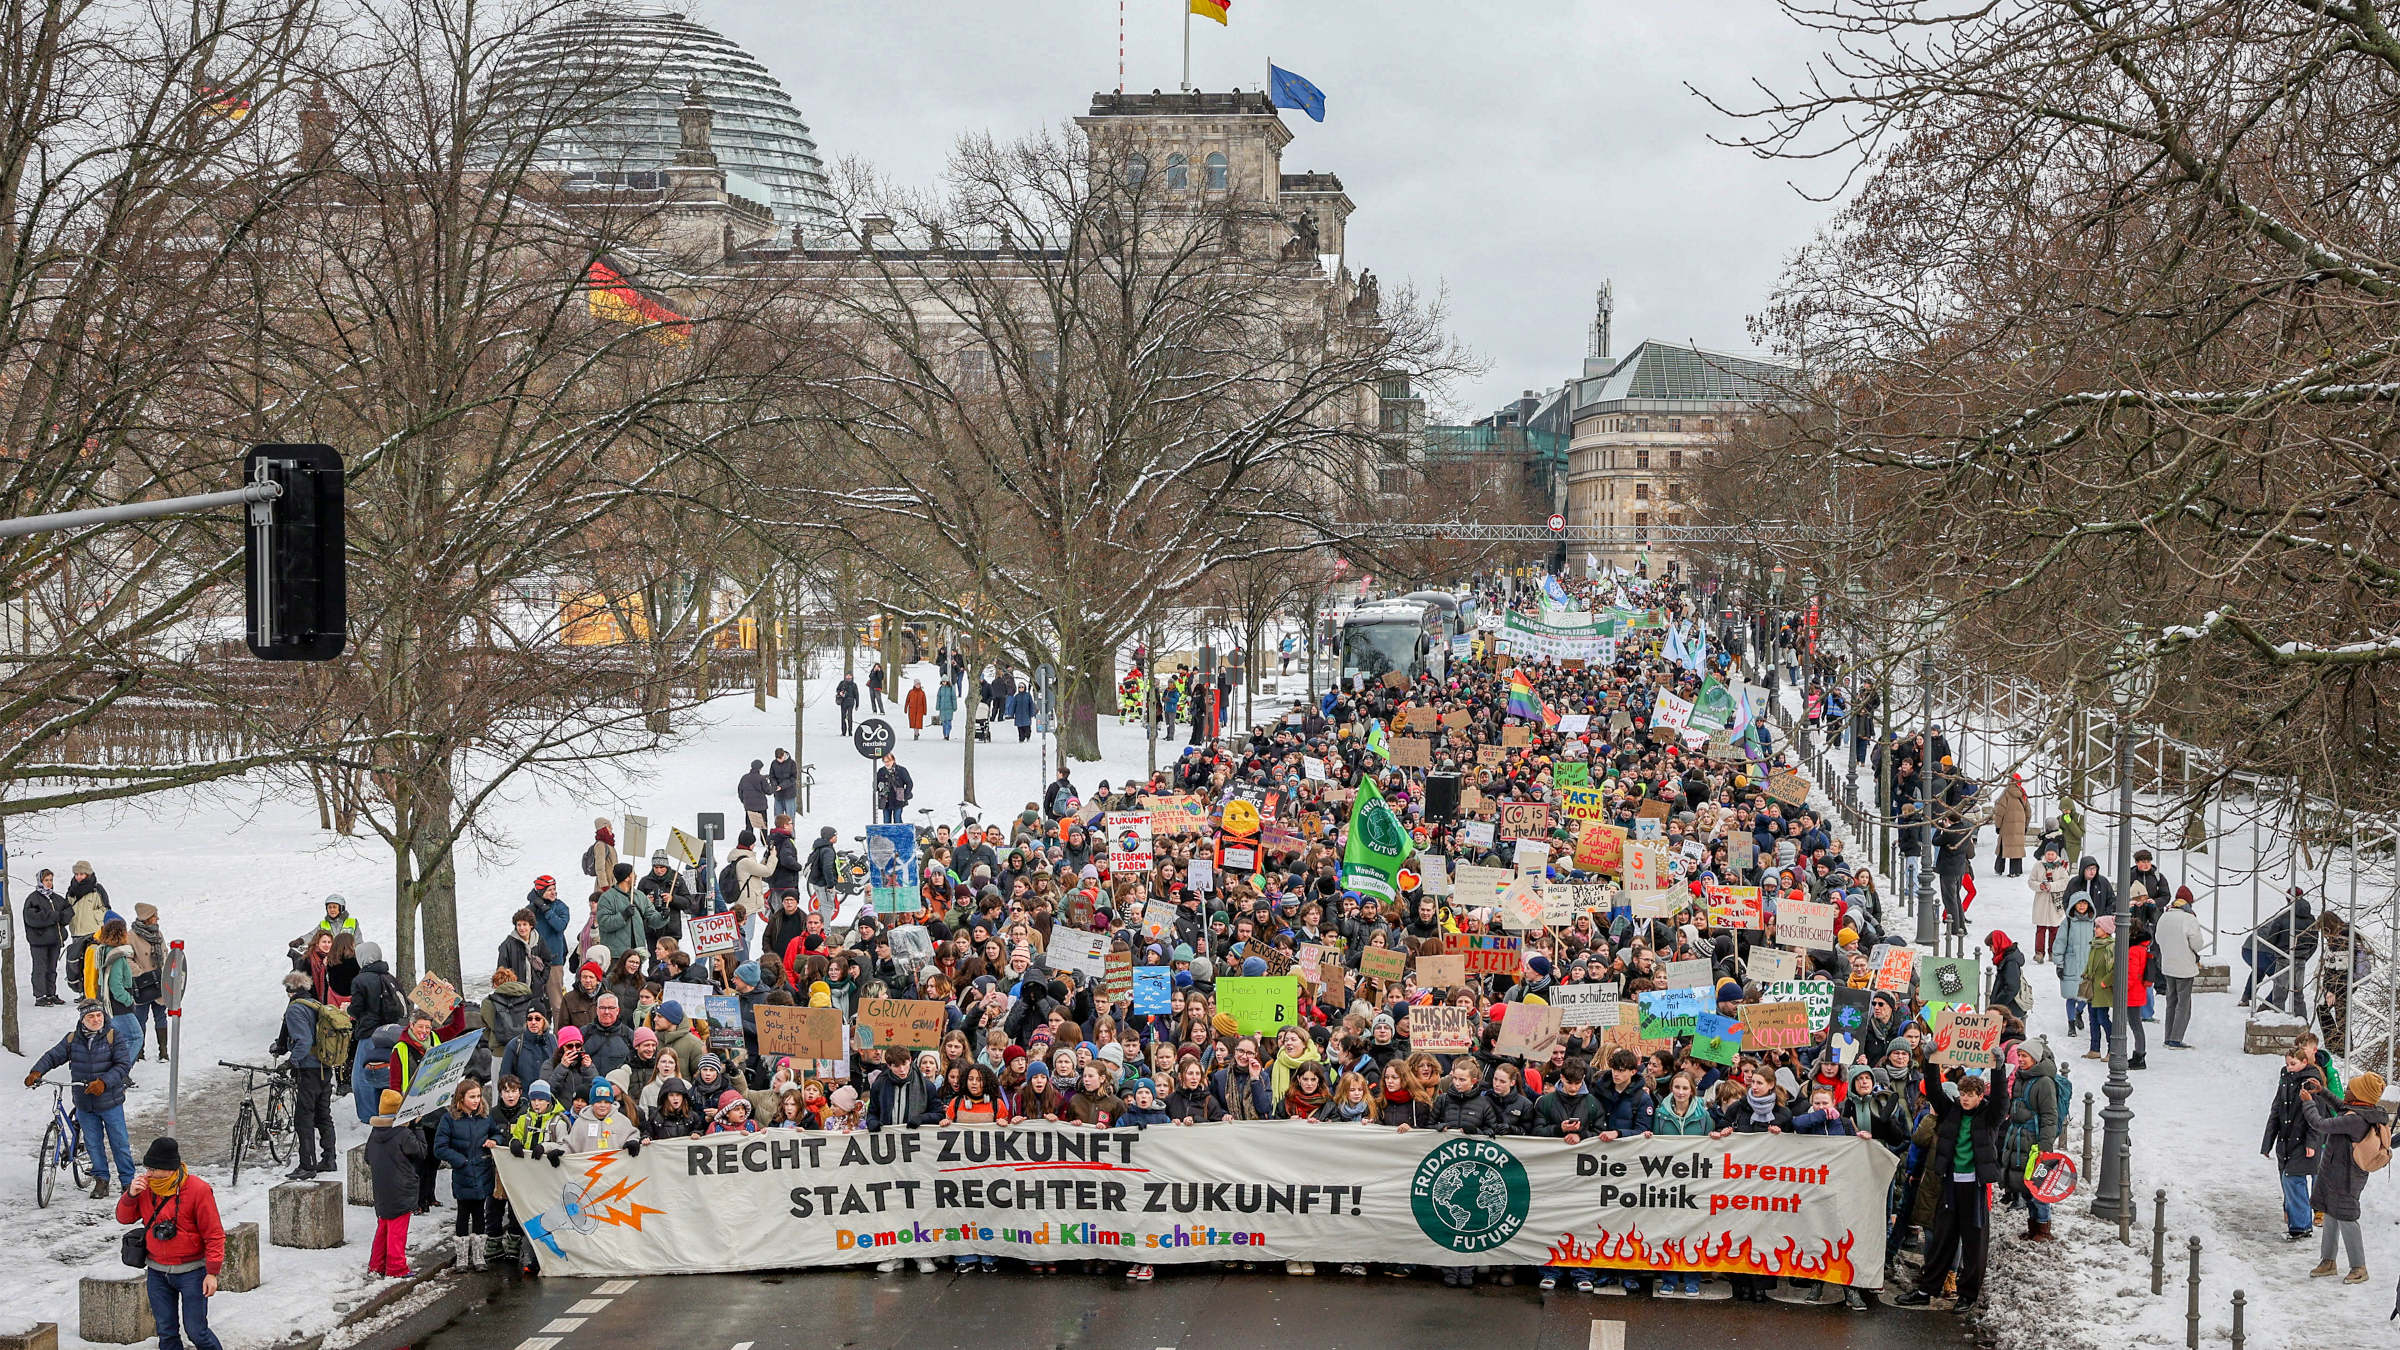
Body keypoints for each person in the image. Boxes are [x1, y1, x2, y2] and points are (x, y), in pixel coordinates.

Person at [1892, 1073, 2007, 1310]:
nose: (1965, 1099)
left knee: (1974, 1244)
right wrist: (1932, 1061)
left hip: (1974, 1187)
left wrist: (1999, 1068)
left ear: (1979, 1096)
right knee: (1942, 1239)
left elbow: (2001, 1100)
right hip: (1950, 1184)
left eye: (1970, 1095)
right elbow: (1933, 1089)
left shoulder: (1988, 1116)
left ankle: (1967, 1295)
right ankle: (1926, 1289)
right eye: (1962, 1094)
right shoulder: (1951, 1112)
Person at [118, 1137, 225, 1350]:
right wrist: (130, 1196)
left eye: (154, 1169)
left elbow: (214, 1234)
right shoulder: (145, 1188)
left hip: (192, 1272)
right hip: (157, 1272)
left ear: (169, 1169)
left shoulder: (198, 1190)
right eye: (147, 1167)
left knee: (197, 1332)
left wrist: (212, 1272)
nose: (148, 1173)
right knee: (166, 1333)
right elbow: (123, 1218)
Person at [27, 999, 137, 1197]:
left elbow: (122, 1065)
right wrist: (37, 1071)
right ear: (82, 1019)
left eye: (98, 1015)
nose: (96, 1020)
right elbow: (53, 1056)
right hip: (85, 1104)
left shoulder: (114, 1037)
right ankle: (101, 1180)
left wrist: (103, 1082)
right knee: (93, 1144)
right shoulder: (72, 1039)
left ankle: (128, 1182)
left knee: (119, 1142)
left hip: (110, 1102)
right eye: (91, 1017)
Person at [2301, 1070, 2388, 1284]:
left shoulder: (2356, 1120)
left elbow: (2320, 1124)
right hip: (2336, 1173)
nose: (2346, 1091)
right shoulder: (2362, 1112)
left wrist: (2308, 1102)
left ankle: (2359, 1267)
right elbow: (2341, 1107)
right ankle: (2328, 1261)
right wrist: (2322, 1091)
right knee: (2331, 1213)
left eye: (2350, 1089)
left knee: (2347, 1219)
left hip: (2347, 1178)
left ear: (2359, 1095)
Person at [273, 971, 343, 1180]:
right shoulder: (316, 1005)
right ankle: (329, 1159)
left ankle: (307, 1165)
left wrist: (290, 1062)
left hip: (309, 1070)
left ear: (290, 990)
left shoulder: (296, 1010)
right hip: (325, 1067)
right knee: (323, 1115)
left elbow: (303, 1041)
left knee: (303, 1117)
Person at [432, 1078, 503, 1270]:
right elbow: (440, 1147)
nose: (476, 1100)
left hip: (482, 1171)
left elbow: (497, 1133)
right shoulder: (449, 1119)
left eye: (478, 1096)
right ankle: (462, 1257)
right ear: (461, 1098)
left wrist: (494, 1141)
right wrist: (460, 1161)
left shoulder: (485, 1117)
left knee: (480, 1214)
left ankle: (479, 1256)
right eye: (472, 1097)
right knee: (463, 1215)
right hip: (463, 1173)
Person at [2262, 1046, 2326, 1241]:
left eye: (2293, 1064)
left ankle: (2301, 1227)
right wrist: (2268, 1142)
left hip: (2303, 1139)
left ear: (2304, 1062)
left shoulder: (2311, 1082)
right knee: (2287, 1180)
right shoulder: (2286, 1079)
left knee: (2293, 1179)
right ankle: (2297, 1224)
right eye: (2287, 1064)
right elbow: (2276, 1110)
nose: (2289, 1068)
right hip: (2285, 1139)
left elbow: (2317, 1114)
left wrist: (2312, 1143)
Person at [365, 1089, 425, 1277]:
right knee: (397, 1231)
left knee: (383, 1228)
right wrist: (419, 1127)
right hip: (401, 1189)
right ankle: (397, 1268)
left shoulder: (375, 1134)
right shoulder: (403, 1134)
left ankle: (376, 1265)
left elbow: (368, 1157)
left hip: (382, 1189)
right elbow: (421, 1152)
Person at [2155, 887, 2208, 1048]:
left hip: (2168, 965)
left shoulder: (2164, 916)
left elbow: (2157, 938)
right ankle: (2175, 1039)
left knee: (2171, 1001)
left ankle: (2168, 1036)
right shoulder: (2189, 918)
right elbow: (2197, 944)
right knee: (2183, 1004)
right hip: (2184, 967)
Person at [21, 868, 69, 1006]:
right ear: (40, 881)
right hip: (39, 941)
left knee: (52, 968)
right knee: (40, 968)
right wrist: (53, 916)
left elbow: (68, 911)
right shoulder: (33, 899)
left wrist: (62, 917)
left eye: (51, 880)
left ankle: (51, 993)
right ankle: (40, 996)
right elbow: (32, 918)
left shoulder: (56, 898)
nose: (49, 883)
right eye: (46, 880)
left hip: (54, 940)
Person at [874, 752, 914, 826]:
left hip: (898, 799)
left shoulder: (901, 770)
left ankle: (899, 836)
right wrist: (879, 786)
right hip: (885, 800)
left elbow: (909, 783)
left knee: (897, 819)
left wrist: (904, 796)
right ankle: (887, 837)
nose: (886, 763)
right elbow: (875, 785)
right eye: (884, 761)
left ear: (893, 760)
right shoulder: (881, 771)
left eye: (888, 761)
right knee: (886, 821)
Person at [738, 758, 773, 832]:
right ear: (759, 768)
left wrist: (744, 801)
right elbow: (768, 791)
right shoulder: (761, 778)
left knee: (749, 825)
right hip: (761, 806)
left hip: (749, 805)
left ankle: (748, 840)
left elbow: (740, 791)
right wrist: (774, 788)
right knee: (763, 825)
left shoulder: (744, 778)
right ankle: (764, 840)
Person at [769, 748, 799, 821]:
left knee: (790, 819)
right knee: (778, 818)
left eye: (781, 758)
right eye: (778, 759)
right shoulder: (774, 763)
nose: (779, 760)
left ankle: (791, 832)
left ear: (784, 755)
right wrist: (775, 785)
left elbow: (793, 778)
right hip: (778, 795)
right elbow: (772, 776)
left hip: (789, 794)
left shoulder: (792, 763)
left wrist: (781, 786)